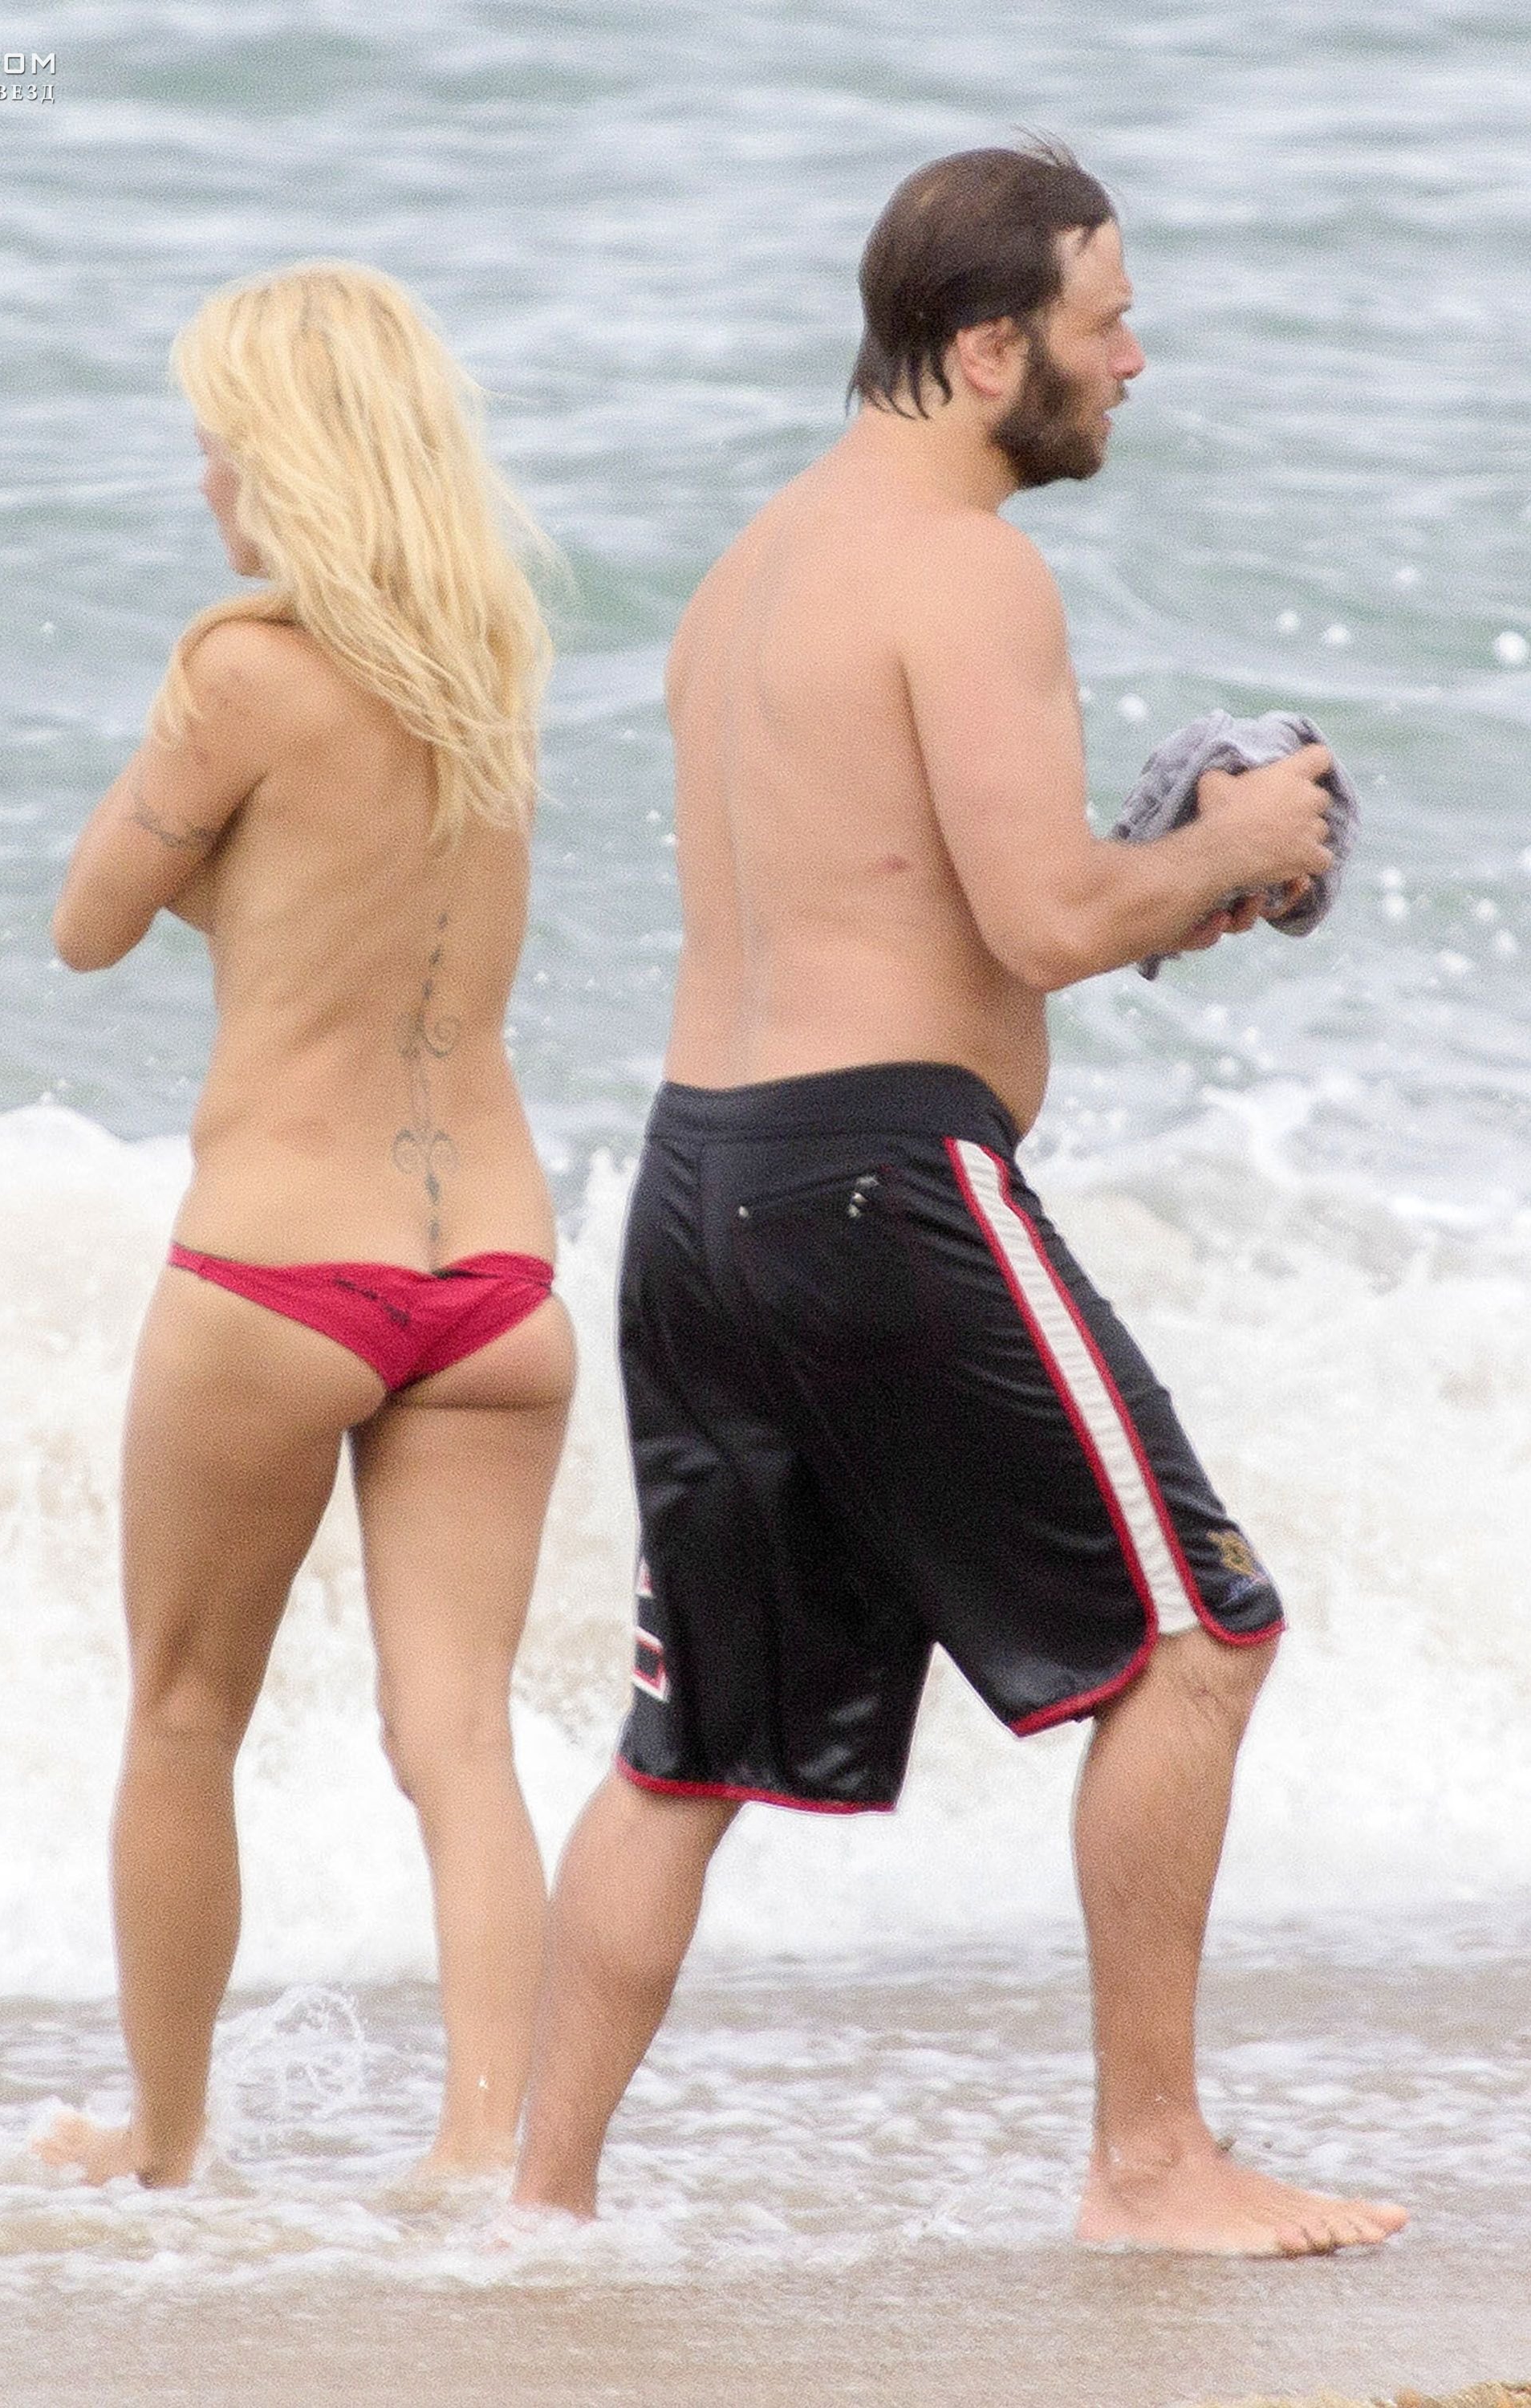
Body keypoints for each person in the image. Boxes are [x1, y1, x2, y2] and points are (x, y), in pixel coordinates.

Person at [514, 144, 1407, 2256]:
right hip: (876, 1186)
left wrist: (1167, 888)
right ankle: (1149, 2166)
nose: (1134, 359)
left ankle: (532, 2216)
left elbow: (917, 905)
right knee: (1195, 1638)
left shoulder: (752, 574)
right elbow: (1045, 916)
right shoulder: (968, 572)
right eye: (1107, 321)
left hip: (702, 1184)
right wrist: (1237, 843)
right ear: (991, 346)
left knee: (683, 1750)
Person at [37, 262, 575, 2190]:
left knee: (185, 1717)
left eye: (222, 443)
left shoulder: (244, 675)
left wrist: (215, 850)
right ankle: (487, 2152)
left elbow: (87, 923)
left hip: (281, 1272)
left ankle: (165, 2144)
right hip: (495, 1282)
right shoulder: (491, 670)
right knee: (464, 1743)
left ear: (292, 458)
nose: (206, 479)